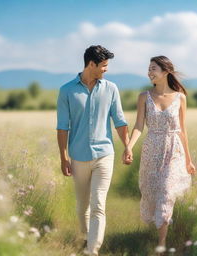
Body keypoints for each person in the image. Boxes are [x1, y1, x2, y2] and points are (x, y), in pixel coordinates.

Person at [56, 45, 129, 256]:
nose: (106, 69)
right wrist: (64, 157)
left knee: (98, 204)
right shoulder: (67, 90)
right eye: (104, 66)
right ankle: (86, 238)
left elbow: (120, 120)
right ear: (91, 64)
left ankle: (92, 251)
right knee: (82, 207)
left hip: (104, 154)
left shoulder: (111, 88)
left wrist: (126, 146)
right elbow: (62, 127)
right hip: (78, 156)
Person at [123, 56, 196, 254]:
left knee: (165, 192)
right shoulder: (143, 97)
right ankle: (159, 230)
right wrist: (129, 146)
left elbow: (182, 130)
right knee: (151, 194)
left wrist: (188, 161)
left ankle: (161, 243)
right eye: (148, 69)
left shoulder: (180, 97)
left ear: (166, 71)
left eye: (153, 68)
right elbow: (139, 126)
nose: (149, 72)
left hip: (174, 151)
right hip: (151, 150)